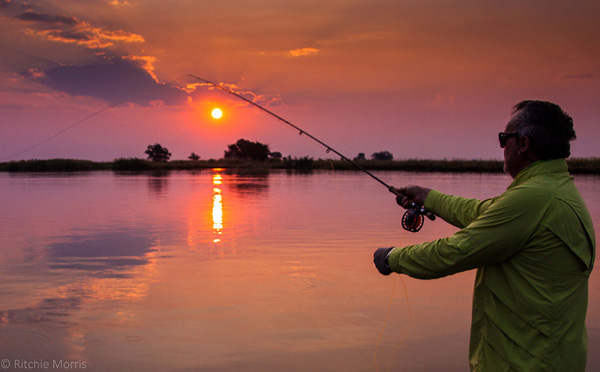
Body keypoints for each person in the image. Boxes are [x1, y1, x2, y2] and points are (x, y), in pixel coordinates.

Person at [373, 100, 595, 371]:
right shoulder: (555, 190)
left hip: (528, 363)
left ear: (523, 143)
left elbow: (456, 252)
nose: (502, 147)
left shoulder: (534, 198)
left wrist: (391, 258)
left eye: (504, 139)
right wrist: (427, 197)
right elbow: (481, 213)